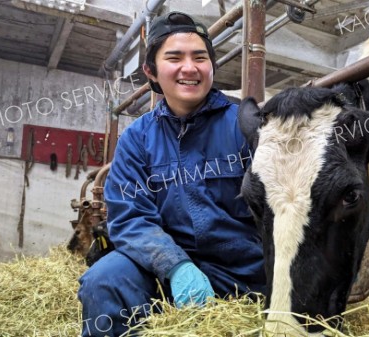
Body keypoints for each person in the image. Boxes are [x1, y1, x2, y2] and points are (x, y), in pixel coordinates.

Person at [77, 11, 266, 337]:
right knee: (105, 279)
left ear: (212, 66)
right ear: (151, 70)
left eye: (200, 57)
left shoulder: (248, 126)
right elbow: (130, 217)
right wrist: (175, 266)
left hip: (245, 273)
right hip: (163, 269)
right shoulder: (137, 139)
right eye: (174, 57)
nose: (190, 68)